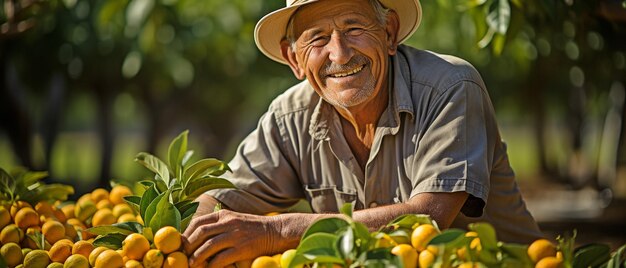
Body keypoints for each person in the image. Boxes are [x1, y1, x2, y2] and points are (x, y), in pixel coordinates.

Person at [183, 0, 543, 267]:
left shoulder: (449, 87)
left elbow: (429, 217)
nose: (339, 54)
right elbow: (217, 200)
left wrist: (274, 232)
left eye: (354, 28)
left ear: (388, 33)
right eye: (318, 38)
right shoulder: (289, 116)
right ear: (293, 59)